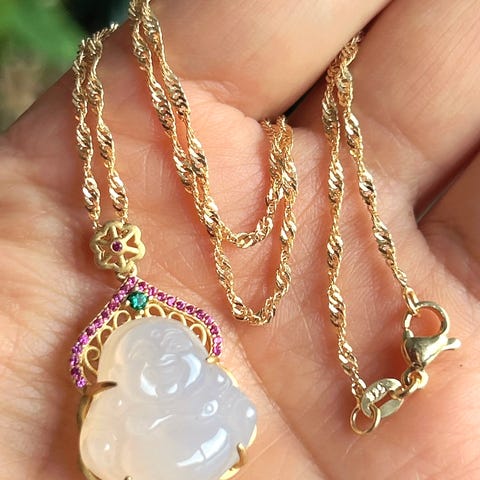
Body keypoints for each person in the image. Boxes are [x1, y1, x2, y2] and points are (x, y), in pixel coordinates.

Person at [0, 0, 478, 478]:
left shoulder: (206, 389)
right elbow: (101, 448)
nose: (165, 365)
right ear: (115, 379)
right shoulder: (117, 411)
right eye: (147, 362)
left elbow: (238, 411)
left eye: (169, 352)